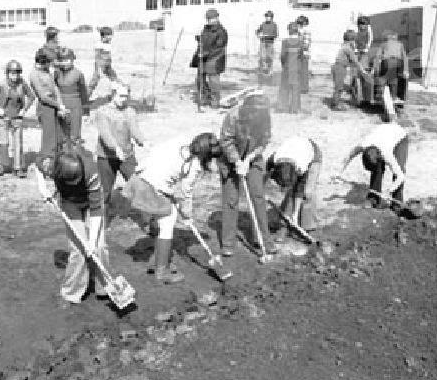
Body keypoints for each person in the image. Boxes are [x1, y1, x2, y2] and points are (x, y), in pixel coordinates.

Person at [122, 133, 221, 284]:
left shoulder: (180, 140)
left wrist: (168, 190)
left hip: (140, 177)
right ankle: (161, 271)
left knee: (163, 220)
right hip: (149, 187)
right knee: (168, 221)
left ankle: (155, 261)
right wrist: (187, 215)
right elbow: (185, 193)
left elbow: (157, 153)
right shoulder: (193, 166)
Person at [34, 147, 109, 306]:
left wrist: (92, 242)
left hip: (91, 205)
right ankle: (70, 293)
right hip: (70, 204)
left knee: (99, 246)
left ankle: (104, 287)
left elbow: (96, 210)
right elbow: (37, 165)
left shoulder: (91, 171)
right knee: (79, 250)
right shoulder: (52, 165)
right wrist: (43, 188)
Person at [218, 93, 274, 255]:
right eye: (256, 113)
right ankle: (228, 243)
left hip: (252, 157)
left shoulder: (265, 118)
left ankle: (263, 239)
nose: (258, 116)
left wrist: (249, 158)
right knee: (231, 200)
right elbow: (226, 141)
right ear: (249, 109)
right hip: (228, 159)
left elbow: (264, 141)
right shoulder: (233, 116)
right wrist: (236, 161)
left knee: (258, 196)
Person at [94, 82, 145, 209]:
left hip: (127, 156)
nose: (124, 99)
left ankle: (148, 220)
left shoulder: (130, 111)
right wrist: (116, 148)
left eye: (126, 96)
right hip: (106, 157)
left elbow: (134, 129)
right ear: (113, 95)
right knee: (104, 192)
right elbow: (105, 134)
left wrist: (142, 141)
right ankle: (100, 221)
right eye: (121, 96)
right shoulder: (102, 112)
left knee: (138, 185)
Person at [338, 120, 408, 212]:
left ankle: (397, 203)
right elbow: (349, 156)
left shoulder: (386, 152)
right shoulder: (364, 144)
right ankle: (373, 199)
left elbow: (400, 176)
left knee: (399, 168)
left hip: (400, 137)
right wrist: (338, 173)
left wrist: (389, 190)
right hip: (384, 132)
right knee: (377, 169)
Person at [264, 136, 322, 241]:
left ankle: (308, 227)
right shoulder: (274, 160)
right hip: (293, 152)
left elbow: (299, 190)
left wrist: (295, 215)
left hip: (313, 155)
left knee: (307, 193)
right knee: (290, 193)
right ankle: (284, 225)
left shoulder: (301, 165)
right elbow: (265, 175)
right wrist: (261, 192)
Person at [0, 60, 35, 177]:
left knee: (17, 142)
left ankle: (17, 167)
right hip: (3, 117)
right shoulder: (1, 84)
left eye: (17, 73)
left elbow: (32, 96)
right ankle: (2, 165)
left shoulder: (22, 84)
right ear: (7, 73)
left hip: (17, 117)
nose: (15, 76)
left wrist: (24, 110)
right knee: (2, 142)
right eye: (12, 73)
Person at [27, 48, 68, 159]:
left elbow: (55, 88)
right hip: (45, 107)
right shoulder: (34, 74)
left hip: (55, 105)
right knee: (49, 137)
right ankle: (47, 160)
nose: (51, 65)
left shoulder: (46, 71)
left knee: (59, 134)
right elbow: (43, 96)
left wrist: (60, 104)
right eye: (50, 62)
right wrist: (58, 105)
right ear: (43, 61)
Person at [54, 47, 88, 146]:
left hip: (75, 106)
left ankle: (76, 157)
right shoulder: (57, 73)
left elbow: (83, 93)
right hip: (61, 105)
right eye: (62, 60)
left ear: (73, 59)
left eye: (67, 60)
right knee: (61, 135)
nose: (65, 63)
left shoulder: (78, 74)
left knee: (74, 135)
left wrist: (86, 111)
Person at [194, 8, 228, 108]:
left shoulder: (221, 31)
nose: (209, 20)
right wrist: (198, 38)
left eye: (211, 18)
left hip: (215, 58)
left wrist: (206, 53)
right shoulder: (206, 29)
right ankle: (205, 97)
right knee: (200, 78)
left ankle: (215, 102)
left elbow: (219, 47)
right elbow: (204, 42)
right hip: (203, 57)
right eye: (208, 18)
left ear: (217, 18)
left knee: (214, 81)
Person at [331, 29, 367, 111]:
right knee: (339, 87)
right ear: (351, 40)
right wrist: (362, 69)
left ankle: (336, 102)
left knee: (339, 86)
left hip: (338, 67)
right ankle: (335, 105)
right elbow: (354, 60)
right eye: (354, 40)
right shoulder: (347, 48)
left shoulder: (344, 46)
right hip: (340, 67)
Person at [372, 30, 410, 106]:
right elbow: (405, 57)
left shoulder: (383, 44)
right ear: (396, 38)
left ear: (388, 38)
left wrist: (375, 69)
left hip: (387, 62)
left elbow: (377, 56)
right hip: (398, 62)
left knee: (383, 78)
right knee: (394, 79)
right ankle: (394, 97)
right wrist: (406, 70)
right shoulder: (400, 44)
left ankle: (380, 95)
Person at [278, 22, 305, 113]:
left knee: (284, 88)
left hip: (287, 67)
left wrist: (283, 64)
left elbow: (282, 56)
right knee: (295, 88)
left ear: (289, 31)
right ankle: (295, 108)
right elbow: (301, 57)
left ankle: (283, 106)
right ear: (297, 31)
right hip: (296, 69)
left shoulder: (285, 42)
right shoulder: (300, 43)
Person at [88, 26, 118, 98]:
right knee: (95, 81)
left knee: (114, 78)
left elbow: (108, 56)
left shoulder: (108, 44)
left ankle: (114, 95)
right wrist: (99, 70)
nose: (111, 37)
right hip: (100, 65)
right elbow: (98, 58)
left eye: (111, 35)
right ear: (104, 36)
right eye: (109, 35)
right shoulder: (99, 45)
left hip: (107, 65)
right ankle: (86, 96)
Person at [255, 11, 279, 80]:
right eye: (266, 17)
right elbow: (257, 31)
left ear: (272, 18)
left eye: (269, 17)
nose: (267, 18)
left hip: (270, 42)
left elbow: (276, 35)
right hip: (262, 42)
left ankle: (269, 70)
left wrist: (268, 35)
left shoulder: (274, 25)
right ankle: (261, 69)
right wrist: (258, 34)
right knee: (262, 56)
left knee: (269, 56)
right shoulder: (263, 24)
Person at [295, 15, 311, 93]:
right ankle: (300, 87)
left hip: (303, 54)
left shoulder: (306, 32)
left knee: (303, 71)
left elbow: (306, 45)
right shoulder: (299, 32)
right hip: (299, 53)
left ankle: (304, 88)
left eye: (299, 24)